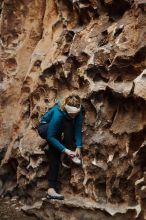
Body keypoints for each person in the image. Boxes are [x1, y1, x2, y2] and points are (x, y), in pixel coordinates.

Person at [37, 94, 83, 200]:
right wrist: (65, 150)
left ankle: (69, 151)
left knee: (70, 124)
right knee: (55, 152)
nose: (74, 116)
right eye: (72, 114)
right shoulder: (58, 114)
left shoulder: (78, 111)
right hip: (45, 128)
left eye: (76, 114)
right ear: (67, 110)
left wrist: (79, 146)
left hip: (59, 128)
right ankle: (51, 189)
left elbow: (78, 128)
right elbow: (50, 136)